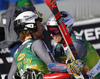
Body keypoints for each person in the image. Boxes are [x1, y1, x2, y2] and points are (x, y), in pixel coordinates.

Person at [7, 11, 86, 79]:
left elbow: (10, 77)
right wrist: (70, 67)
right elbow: (54, 67)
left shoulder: (17, 53)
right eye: (39, 24)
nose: (42, 28)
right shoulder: (36, 43)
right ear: (31, 26)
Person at [46, 11, 100, 79]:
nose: (51, 34)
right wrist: (67, 67)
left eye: (54, 30)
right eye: (49, 30)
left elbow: (70, 65)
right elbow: (51, 66)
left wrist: (66, 67)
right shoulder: (59, 47)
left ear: (66, 28)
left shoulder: (76, 43)